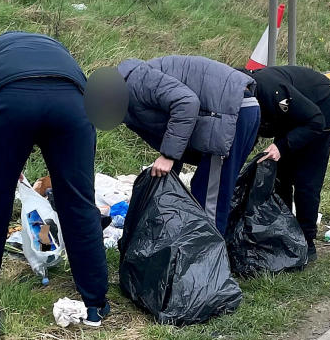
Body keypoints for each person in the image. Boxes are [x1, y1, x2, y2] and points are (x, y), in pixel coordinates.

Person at [0, 32, 128, 327]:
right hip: (73, 106)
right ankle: (95, 305)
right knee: (77, 202)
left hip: (12, 102)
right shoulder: (57, 49)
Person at [95, 56, 259, 236]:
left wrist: (169, 156)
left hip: (230, 112)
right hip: (231, 112)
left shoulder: (137, 81)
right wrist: (169, 170)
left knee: (209, 200)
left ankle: (206, 259)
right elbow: (172, 129)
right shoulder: (130, 101)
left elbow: (187, 103)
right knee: (204, 189)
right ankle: (202, 253)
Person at [243, 65, 330, 262]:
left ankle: (307, 242)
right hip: (292, 115)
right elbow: (251, 130)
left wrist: (281, 146)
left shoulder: (271, 93)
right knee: (281, 176)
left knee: (306, 182)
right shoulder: (245, 95)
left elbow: (314, 120)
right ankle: (285, 233)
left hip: (320, 110)